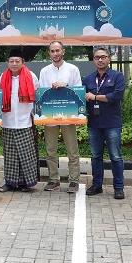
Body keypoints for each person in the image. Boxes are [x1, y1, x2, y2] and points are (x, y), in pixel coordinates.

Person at [38, 41, 82, 193]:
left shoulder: (72, 69)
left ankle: (74, 180)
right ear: (49, 53)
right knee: (50, 150)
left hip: (68, 113)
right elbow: (41, 93)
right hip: (50, 115)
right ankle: (53, 179)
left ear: (63, 51)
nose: (55, 53)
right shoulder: (44, 71)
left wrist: (66, 86)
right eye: (52, 51)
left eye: (58, 50)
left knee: (72, 149)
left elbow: (78, 91)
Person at [82, 47, 126, 199]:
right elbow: (81, 97)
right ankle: (97, 185)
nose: (100, 60)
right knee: (95, 156)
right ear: (93, 60)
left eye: (103, 57)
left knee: (115, 157)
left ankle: (119, 188)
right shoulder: (87, 79)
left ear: (109, 59)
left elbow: (116, 96)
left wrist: (94, 97)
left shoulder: (117, 76)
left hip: (112, 123)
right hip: (94, 124)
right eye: (97, 57)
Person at [0, 48, 39, 192]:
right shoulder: (3, 77)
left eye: (17, 61)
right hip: (7, 121)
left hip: (25, 121)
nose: (14, 63)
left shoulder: (31, 76)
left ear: (23, 62)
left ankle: (26, 183)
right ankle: (10, 182)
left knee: (26, 154)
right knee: (10, 154)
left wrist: (34, 116)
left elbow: (36, 98)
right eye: (11, 61)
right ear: (7, 63)